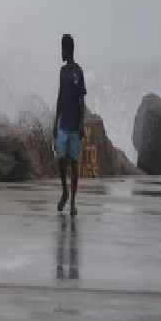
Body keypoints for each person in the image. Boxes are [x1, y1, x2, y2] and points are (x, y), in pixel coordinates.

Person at [53, 33, 86, 215]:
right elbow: (59, 97)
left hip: (75, 126)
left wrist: (82, 124)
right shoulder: (62, 72)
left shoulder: (78, 73)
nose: (61, 53)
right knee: (61, 160)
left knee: (74, 163)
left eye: (62, 49)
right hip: (64, 124)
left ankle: (73, 201)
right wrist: (54, 122)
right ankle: (64, 191)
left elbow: (81, 100)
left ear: (67, 50)